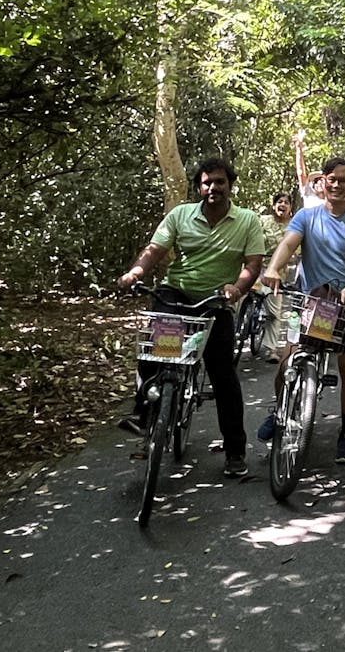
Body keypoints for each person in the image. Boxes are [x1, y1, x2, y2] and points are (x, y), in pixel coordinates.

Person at [117, 158, 264, 478]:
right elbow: (155, 249)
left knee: (223, 374)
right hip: (176, 292)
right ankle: (144, 416)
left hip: (217, 301)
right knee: (153, 350)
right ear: (199, 186)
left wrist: (237, 288)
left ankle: (235, 451)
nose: (214, 188)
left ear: (230, 185)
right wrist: (136, 271)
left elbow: (253, 265)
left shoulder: (248, 221)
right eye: (207, 182)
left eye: (220, 182)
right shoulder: (181, 214)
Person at [260, 155, 345, 464]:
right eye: (331, 179)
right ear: (323, 182)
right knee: (287, 360)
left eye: (343, 179)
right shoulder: (306, 217)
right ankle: (280, 408)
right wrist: (273, 268)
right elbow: (288, 245)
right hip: (308, 301)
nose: (336, 184)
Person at [257, 192, 296, 363]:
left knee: (274, 314)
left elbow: (296, 252)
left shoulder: (294, 227)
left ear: (290, 208)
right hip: (256, 267)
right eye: (279, 202)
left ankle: (270, 349)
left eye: (286, 202)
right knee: (237, 300)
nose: (282, 205)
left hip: (277, 274)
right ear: (273, 206)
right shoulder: (262, 221)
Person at [293, 130, 327, 209]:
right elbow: (300, 172)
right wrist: (299, 148)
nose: (319, 184)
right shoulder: (308, 193)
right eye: (316, 181)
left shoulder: (332, 200)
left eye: (322, 181)